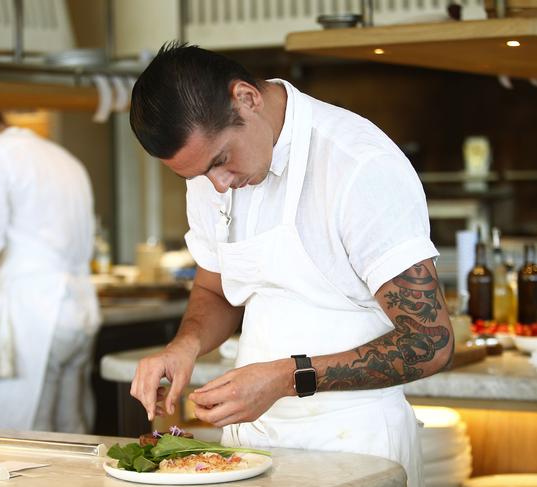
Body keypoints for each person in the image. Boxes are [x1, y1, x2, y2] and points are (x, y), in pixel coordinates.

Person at [128, 42, 453, 486]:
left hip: (356, 447)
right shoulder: (212, 176)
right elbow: (214, 289)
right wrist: (182, 346)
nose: (219, 185)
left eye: (221, 161)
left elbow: (430, 342)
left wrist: (285, 378)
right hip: (250, 444)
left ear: (247, 98)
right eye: (199, 176)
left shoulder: (357, 165)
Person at [0, 99, 99, 433]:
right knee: (71, 431)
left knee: (23, 438)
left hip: (34, 316)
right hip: (80, 310)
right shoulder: (62, 156)